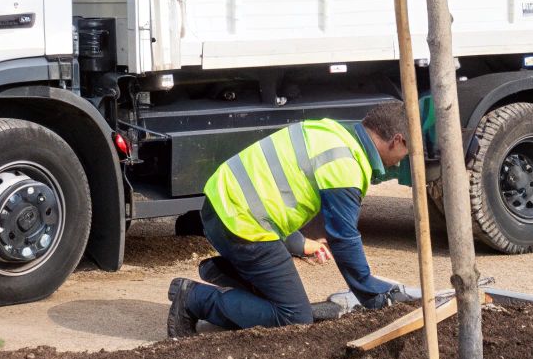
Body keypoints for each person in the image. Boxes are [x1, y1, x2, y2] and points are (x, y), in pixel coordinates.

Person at [166, 101, 414, 336]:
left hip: (217, 207)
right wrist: (373, 296)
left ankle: (230, 271)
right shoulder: (346, 165)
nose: (401, 161)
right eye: (406, 152)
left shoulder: (328, 131)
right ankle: (193, 298)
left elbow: (277, 188)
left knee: (282, 294)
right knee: (294, 317)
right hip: (243, 228)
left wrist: (298, 242)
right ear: (397, 140)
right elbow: (344, 239)